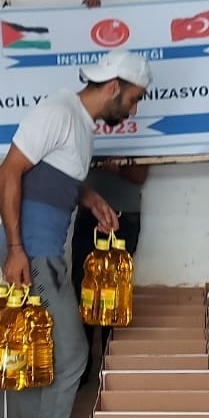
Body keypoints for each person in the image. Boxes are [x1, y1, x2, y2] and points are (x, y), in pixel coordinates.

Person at [0, 49, 151, 418]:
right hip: (32, 251)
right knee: (73, 355)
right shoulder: (58, 111)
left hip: (42, 249)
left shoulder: (80, 124)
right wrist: (17, 249)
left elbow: (55, 177)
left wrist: (91, 199)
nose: (133, 110)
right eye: (134, 99)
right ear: (114, 87)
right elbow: (8, 173)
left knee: (42, 351)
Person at [71, 162, 145, 384]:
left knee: (115, 294)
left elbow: (140, 175)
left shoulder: (139, 141)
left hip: (125, 217)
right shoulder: (85, 140)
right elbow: (69, 173)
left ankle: (110, 369)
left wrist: (117, 167)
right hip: (87, 216)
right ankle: (81, 369)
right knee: (83, 289)